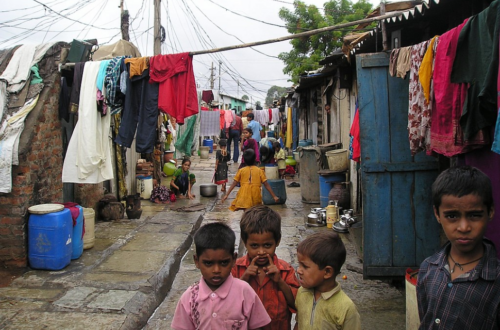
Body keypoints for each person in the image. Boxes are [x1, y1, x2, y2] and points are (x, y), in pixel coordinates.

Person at [417, 166, 499, 329]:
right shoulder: (428, 268)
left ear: (490, 212)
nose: (463, 227)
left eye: (474, 215)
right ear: (437, 214)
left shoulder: (495, 280)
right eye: (452, 216)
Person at [171, 222, 271, 330]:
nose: (216, 270)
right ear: (197, 261)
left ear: (233, 259)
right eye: (208, 263)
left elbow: (261, 326)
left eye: (224, 263)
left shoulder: (244, 291)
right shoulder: (190, 298)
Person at [232, 205, 300, 330]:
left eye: (267, 245)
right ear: (245, 242)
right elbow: (228, 303)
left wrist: (280, 282)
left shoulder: (285, 270)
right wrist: (244, 278)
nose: (261, 251)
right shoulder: (236, 268)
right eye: (254, 246)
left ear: (278, 241)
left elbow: (296, 304)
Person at [295, 231, 361, 330]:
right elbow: (299, 323)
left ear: (327, 272)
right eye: (299, 264)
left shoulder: (346, 308)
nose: (298, 270)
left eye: (304, 266)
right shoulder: (302, 293)